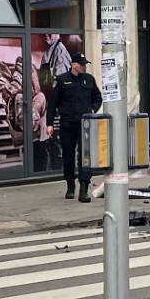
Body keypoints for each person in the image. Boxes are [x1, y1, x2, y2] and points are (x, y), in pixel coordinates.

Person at [51, 54, 101, 202]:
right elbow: (53, 103)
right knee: (68, 156)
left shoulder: (89, 79)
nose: (84, 66)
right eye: (81, 64)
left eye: (85, 64)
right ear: (73, 65)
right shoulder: (62, 80)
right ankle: (70, 185)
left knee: (85, 157)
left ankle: (84, 188)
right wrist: (49, 124)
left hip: (85, 125)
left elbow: (98, 97)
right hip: (67, 124)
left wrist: (93, 109)